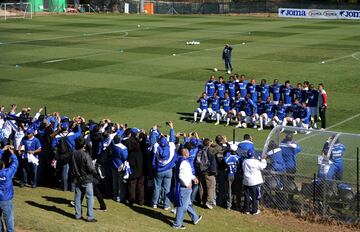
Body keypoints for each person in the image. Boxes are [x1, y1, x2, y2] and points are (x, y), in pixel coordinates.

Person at [172, 148, 202, 229]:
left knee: (187, 203)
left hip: (184, 186)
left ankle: (195, 218)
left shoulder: (181, 160)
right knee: (182, 207)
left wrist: (193, 178)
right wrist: (187, 184)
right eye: (188, 152)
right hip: (184, 187)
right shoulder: (184, 162)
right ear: (185, 154)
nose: (189, 153)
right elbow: (181, 175)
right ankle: (177, 224)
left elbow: (188, 173)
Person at [70, 137, 97, 222]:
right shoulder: (86, 155)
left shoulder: (73, 154)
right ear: (84, 145)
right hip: (86, 178)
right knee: (89, 198)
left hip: (77, 178)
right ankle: (90, 216)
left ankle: (78, 215)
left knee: (77, 197)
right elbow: (90, 168)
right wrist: (95, 171)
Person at [151, 122, 177, 210]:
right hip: (168, 170)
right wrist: (171, 127)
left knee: (157, 188)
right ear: (166, 142)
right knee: (167, 188)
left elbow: (152, 140)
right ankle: (166, 205)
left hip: (159, 170)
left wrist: (154, 130)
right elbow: (173, 138)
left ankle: (154, 203)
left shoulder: (156, 147)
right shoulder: (170, 146)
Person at [123, 128, 144, 206]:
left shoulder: (128, 145)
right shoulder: (140, 149)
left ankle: (132, 200)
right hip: (140, 170)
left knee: (132, 185)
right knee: (140, 186)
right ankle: (141, 201)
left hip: (133, 169)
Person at [242, 149, 267, 215]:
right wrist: (263, 160)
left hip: (246, 181)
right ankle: (254, 210)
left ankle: (247, 210)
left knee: (247, 196)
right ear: (253, 154)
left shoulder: (245, 161)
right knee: (255, 196)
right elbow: (263, 166)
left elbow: (243, 168)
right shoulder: (256, 162)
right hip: (254, 182)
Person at [0, 145, 18, 232]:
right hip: (6, 200)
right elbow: (15, 163)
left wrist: (2, 150)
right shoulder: (7, 173)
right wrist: (12, 153)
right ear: (3, 165)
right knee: (9, 218)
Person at [197, 138, 217, 209]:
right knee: (211, 187)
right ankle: (209, 203)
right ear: (209, 143)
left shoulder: (200, 150)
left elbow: (198, 161)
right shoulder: (210, 150)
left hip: (202, 171)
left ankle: (203, 201)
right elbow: (218, 149)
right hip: (208, 172)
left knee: (203, 188)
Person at [110, 135, 128, 203]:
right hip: (120, 167)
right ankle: (120, 197)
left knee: (115, 182)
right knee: (121, 183)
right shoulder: (123, 148)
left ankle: (115, 196)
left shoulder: (113, 145)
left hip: (113, 165)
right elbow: (125, 157)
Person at [224, 144, 241, 210]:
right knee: (237, 191)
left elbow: (225, 162)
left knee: (229, 191)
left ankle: (229, 205)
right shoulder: (238, 158)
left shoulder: (227, 157)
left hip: (229, 175)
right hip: (236, 175)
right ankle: (238, 205)